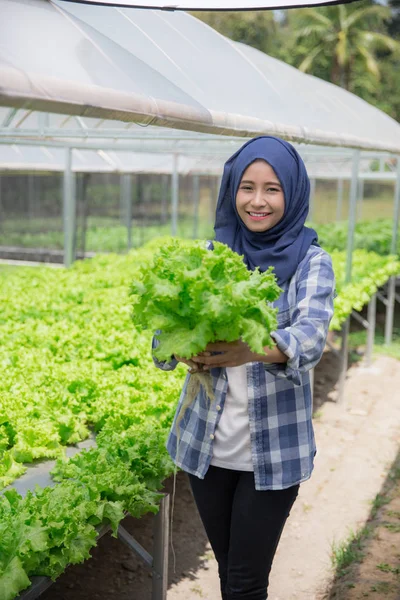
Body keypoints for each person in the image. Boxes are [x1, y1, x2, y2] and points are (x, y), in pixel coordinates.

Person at [152, 136, 335, 600]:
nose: (257, 201)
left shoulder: (312, 263)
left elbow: (310, 340)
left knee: (246, 582)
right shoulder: (208, 256)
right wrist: (183, 350)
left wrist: (249, 349)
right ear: (231, 191)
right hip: (205, 449)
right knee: (229, 570)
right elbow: (160, 342)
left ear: (292, 194)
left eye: (272, 189)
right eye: (247, 187)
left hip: (273, 453)